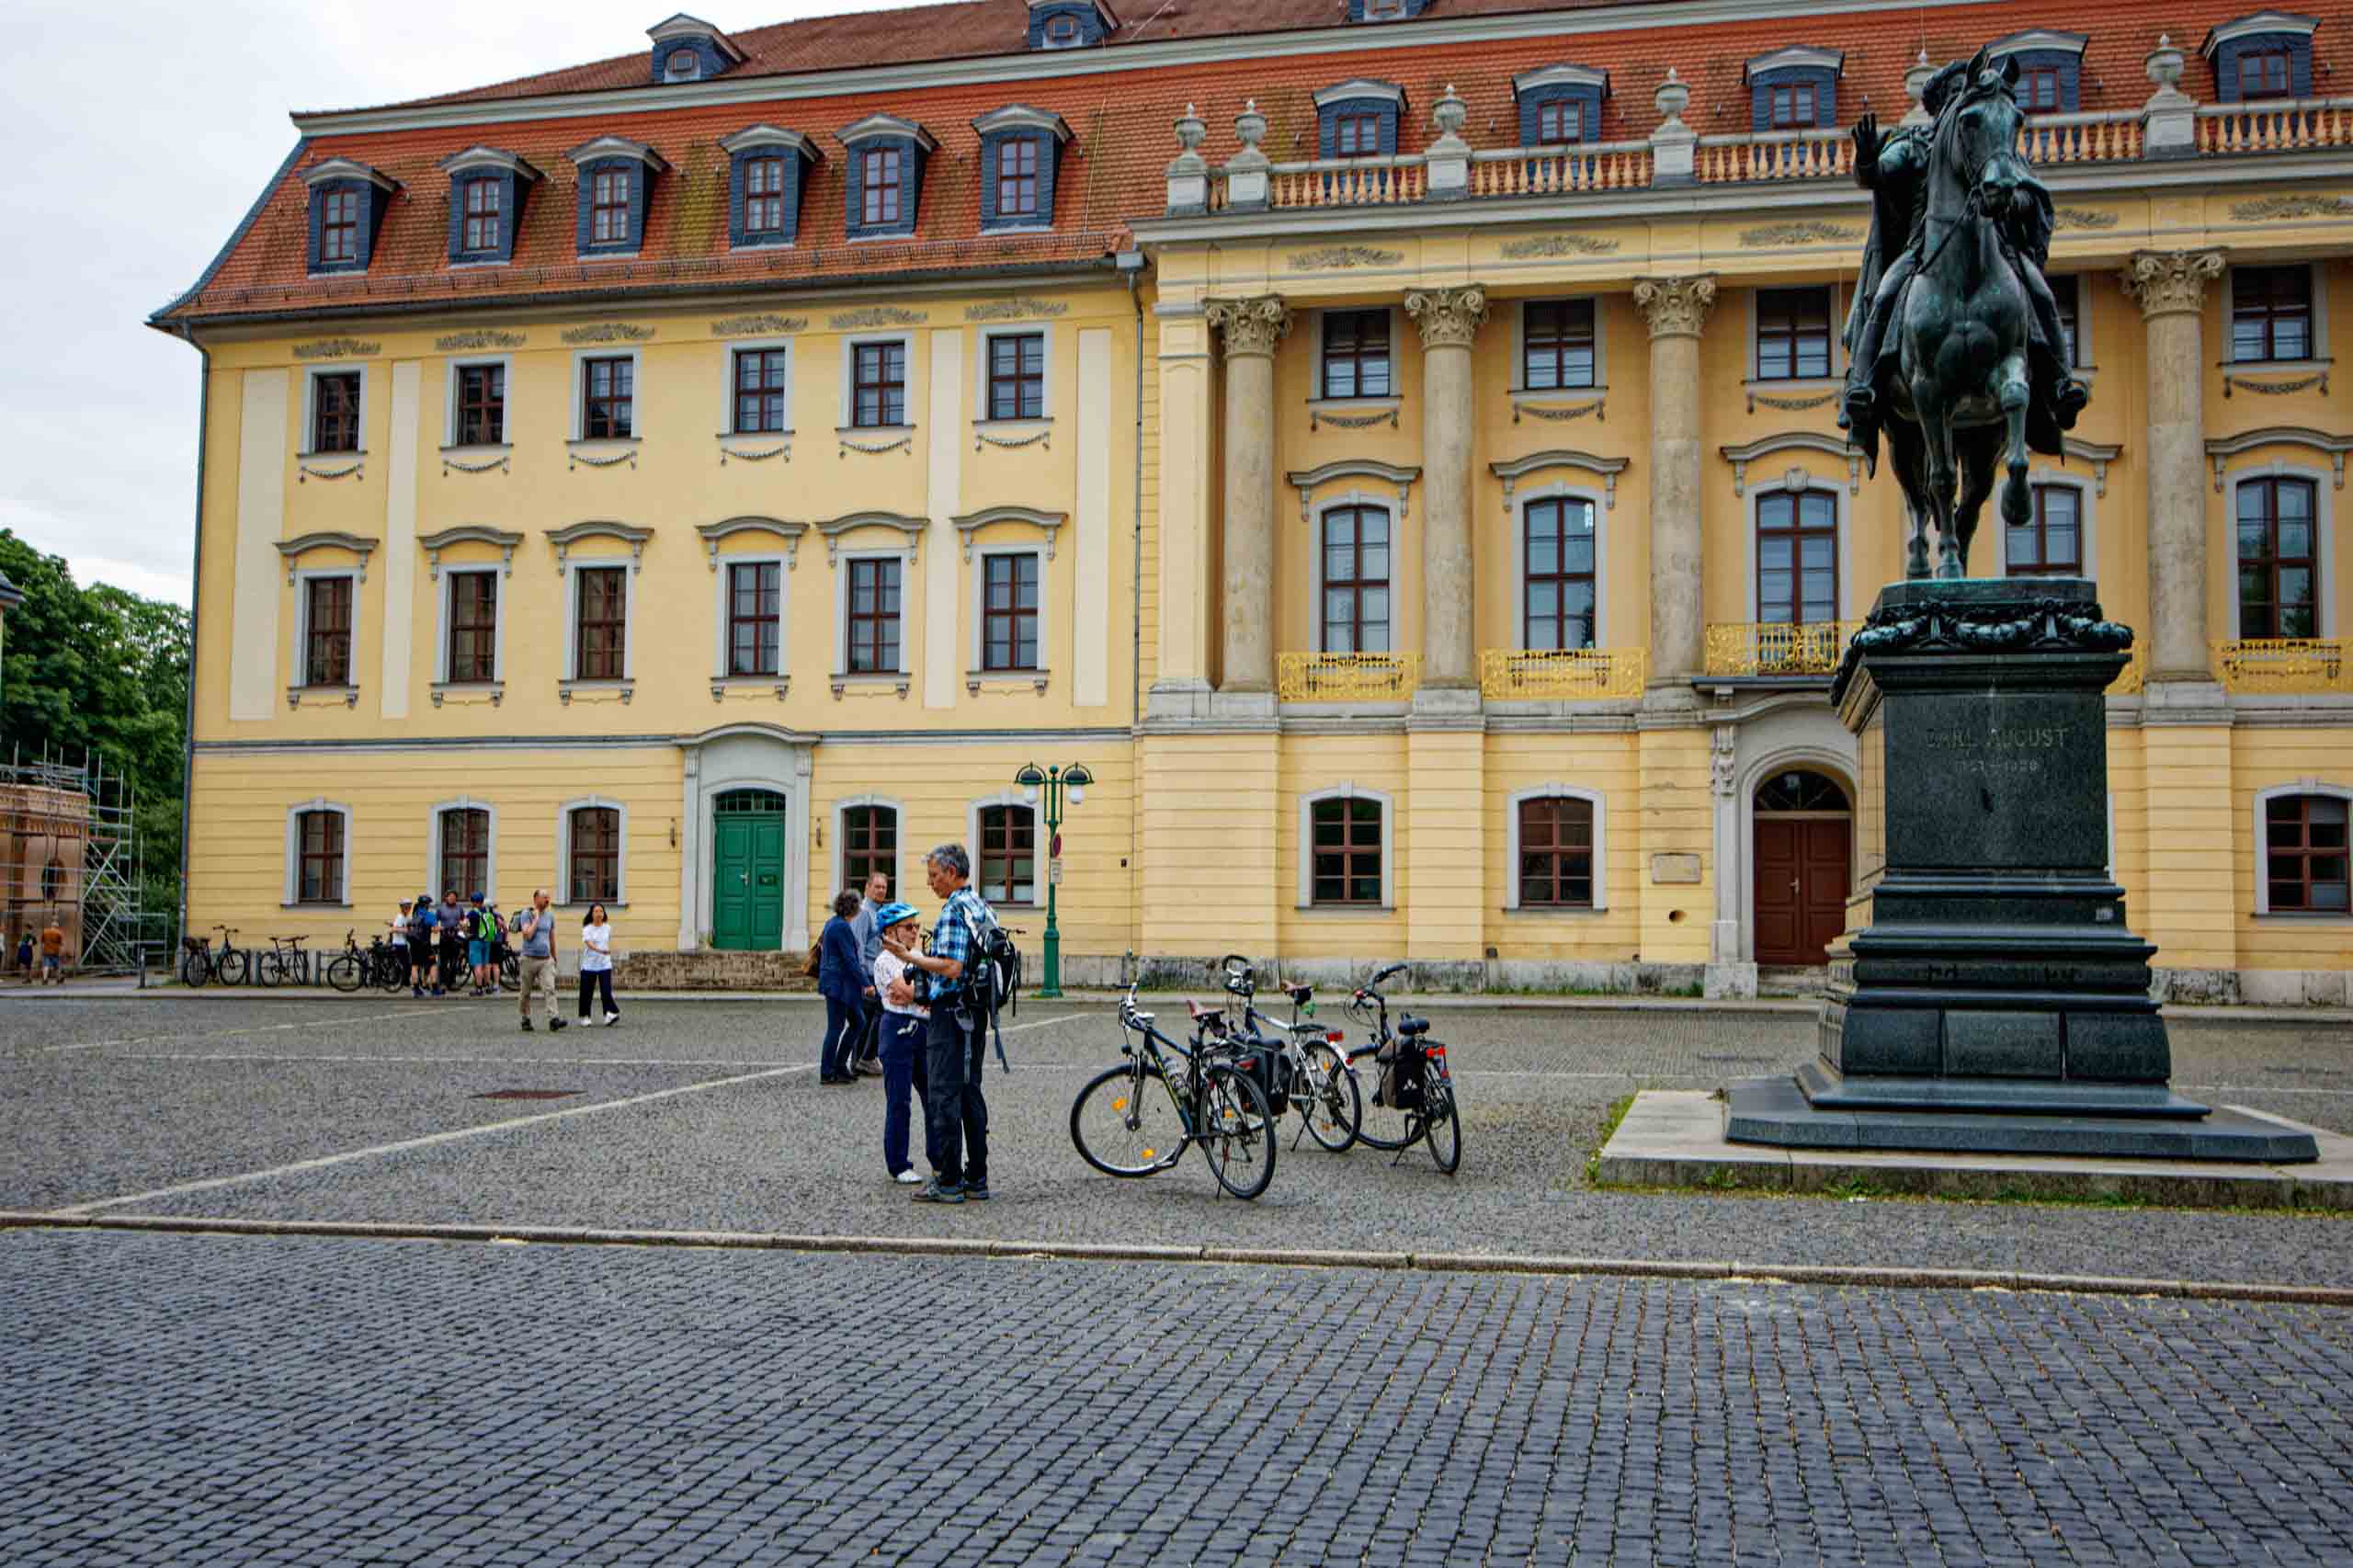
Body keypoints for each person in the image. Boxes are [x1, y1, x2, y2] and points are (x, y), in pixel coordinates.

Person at [882, 844, 994, 1205]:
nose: (930, 883)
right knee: (970, 1091)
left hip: (950, 1014)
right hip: (976, 1012)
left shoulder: (954, 910)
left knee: (944, 1094)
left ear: (951, 872)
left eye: (933, 875)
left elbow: (952, 967)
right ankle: (977, 1177)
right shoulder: (982, 906)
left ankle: (948, 1180)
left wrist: (911, 957)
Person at [870, 901, 933, 1186]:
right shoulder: (884, 961)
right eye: (908, 927)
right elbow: (908, 993)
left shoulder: (918, 956)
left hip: (923, 1029)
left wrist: (918, 993)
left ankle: (940, 1159)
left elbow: (928, 992)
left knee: (933, 1097)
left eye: (916, 926)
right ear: (890, 933)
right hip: (897, 1031)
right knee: (899, 1101)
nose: (915, 932)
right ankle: (898, 1164)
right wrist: (917, 992)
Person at [816, 891, 865, 1085]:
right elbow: (850, 959)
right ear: (854, 908)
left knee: (858, 1022)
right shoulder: (841, 927)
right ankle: (828, 1072)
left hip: (840, 984)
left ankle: (839, 1066)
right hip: (838, 985)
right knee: (835, 1028)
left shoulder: (833, 923)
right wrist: (866, 983)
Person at [848, 869, 891, 1076]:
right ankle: (863, 1058)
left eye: (884, 887)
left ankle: (863, 1059)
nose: (881, 890)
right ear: (867, 887)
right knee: (871, 1017)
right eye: (877, 886)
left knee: (871, 1017)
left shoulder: (879, 912)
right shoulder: (864, 912)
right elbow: (858, 946)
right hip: (868, 973)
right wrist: (863, 978)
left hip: (878, 972)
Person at [513, 889, 564, 1031]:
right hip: (528, 959)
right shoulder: (527, 914)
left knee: (550, 989)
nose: (547, 900)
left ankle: (554, 1019)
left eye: (548, 897)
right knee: (525, 992)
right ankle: (525, 1018)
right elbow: (527, 935)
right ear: (535, 899)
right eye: (544, 897)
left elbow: (551, 937)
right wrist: (536, 919)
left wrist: (554, 956)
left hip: (545, 960)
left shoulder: (550, 916)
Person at [577, 903, 619, 1026]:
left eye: (601, 911)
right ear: (591, 914)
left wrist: (604, 953)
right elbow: (589, 944)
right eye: (596, 911)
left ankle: (609, 1014)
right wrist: (600, 950)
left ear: (604, 914)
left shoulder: (608, 928)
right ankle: (585, 1016)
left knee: (606, 991)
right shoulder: (587, 929)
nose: (599, 914)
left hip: (604, 964)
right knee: (586, 992)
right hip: (589, 965)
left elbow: (606, 941)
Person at [410, 892, 439, 995]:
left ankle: (416, 989)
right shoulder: (430, 915)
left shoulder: (415, 913)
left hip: (414, 943)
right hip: (425, 944)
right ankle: (435, 988)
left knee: (415, 965)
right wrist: (436, 928)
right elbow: (435, 930)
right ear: (427, 904)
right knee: (433, 964)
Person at [438, 891, 466, 998]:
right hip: (444, 937)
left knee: (454, 961)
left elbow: (463, 919)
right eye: (450, 897)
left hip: (455, 937)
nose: (452, 899)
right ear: (446, 898)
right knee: (443, 961)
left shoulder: (459, 908)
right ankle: (443, 983)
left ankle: (452, 982)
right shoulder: (441, 908)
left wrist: (463, 924)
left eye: (454, 897)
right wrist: (439, 928)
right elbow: (435, 921)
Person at [392, 898, 413, 987]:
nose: (408, 909)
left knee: (407, 964)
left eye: (409, 907)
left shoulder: (406, 917)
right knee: (403, 964)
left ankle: (404, 982)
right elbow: (394, 929)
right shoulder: (400, 917)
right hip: (398, 944)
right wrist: (407, 930)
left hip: (404, 944)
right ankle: (399, 981)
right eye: (406, 907)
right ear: (402, 908)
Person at [40, 920, 66, 984]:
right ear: (57, 927)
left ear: (51, 926)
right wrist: (61, 953)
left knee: (46, 966)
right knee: (57, 966)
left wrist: (42, 951)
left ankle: (45, 979)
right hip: (55, 952)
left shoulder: (45, 932)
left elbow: (42, 943)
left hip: (46, 952)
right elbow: (61, 944)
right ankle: (58, 979)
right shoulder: (59, 933)